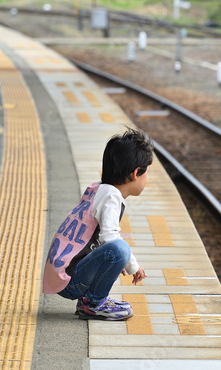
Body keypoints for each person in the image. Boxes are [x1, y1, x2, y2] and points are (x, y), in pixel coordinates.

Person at [41, 128, 152, 321]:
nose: (147, 179)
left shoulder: (98, 189)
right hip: (69, 279)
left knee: (117, 250)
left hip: (62, 272)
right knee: (120, 247)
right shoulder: (111, 196)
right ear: (135, 174)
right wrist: (132, 265)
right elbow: (110, 237)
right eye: (147, 173)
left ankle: (90, 300)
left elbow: (93, 236)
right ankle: (94, 303)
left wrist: (113, 261)